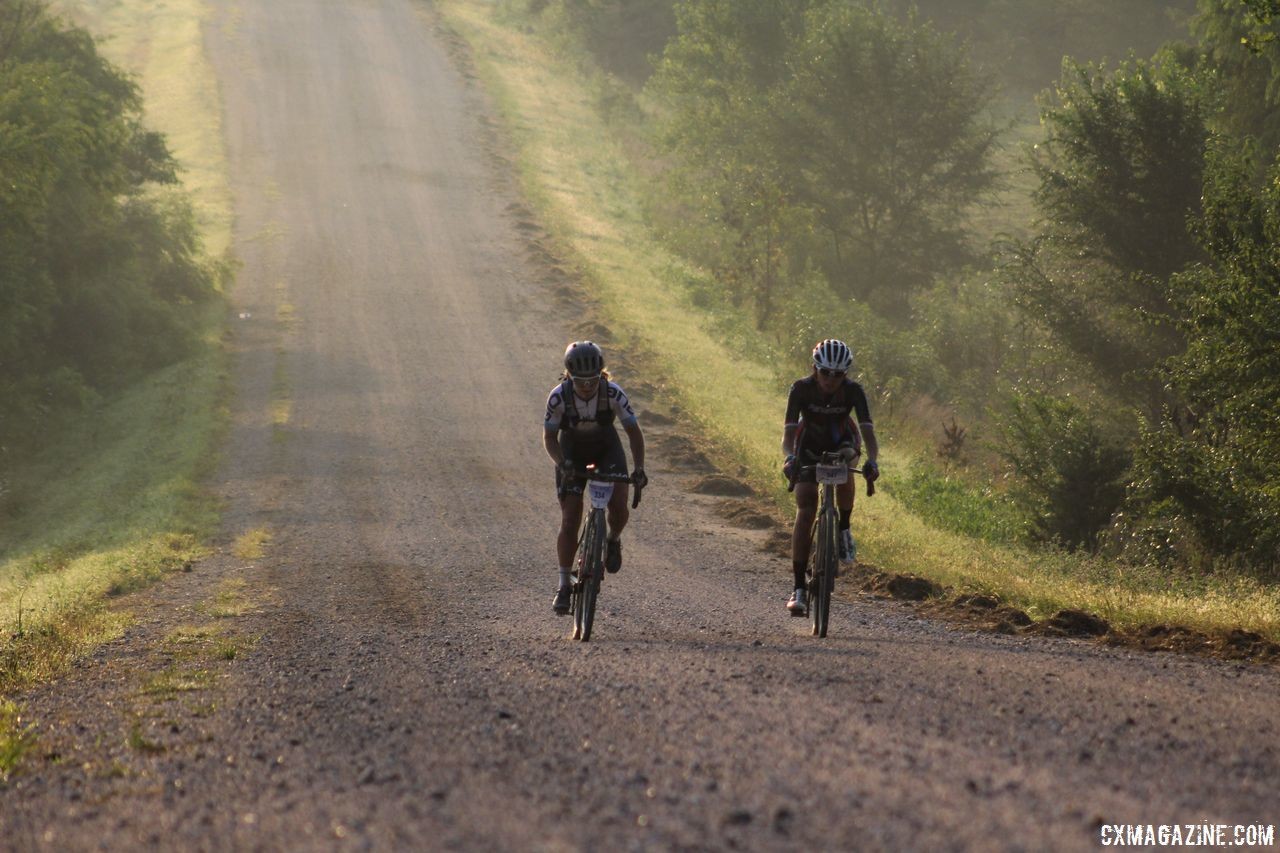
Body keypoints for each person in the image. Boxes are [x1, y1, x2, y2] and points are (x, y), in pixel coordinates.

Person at [543, 341, 647, 615]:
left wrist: (638, 469)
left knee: (619, 506)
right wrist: (561, 463)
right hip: (571, 453)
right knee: (569, 518)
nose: (587, 386)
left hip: (606, 449)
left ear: (601, 375)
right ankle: (564, 584)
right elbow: (549, 438)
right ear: (568, 376)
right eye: (580, 381)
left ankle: (612, 539)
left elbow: (634, 433)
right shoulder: (558, 397)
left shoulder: (613, 393)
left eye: (592, 380)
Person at [780, 339, 879, 616]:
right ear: (815, 368)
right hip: (807, 444)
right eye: (825, 373)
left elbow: (868, 432)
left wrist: (872, 460)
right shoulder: (800, 389)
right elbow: (788, 436)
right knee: (806, 504)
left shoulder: (853, 391)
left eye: (838, 375)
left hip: (843, 441)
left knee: (847, 467)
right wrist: (789, 457)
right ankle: (799, 587)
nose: (831, 380)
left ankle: (844, 527)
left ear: (845, 374)